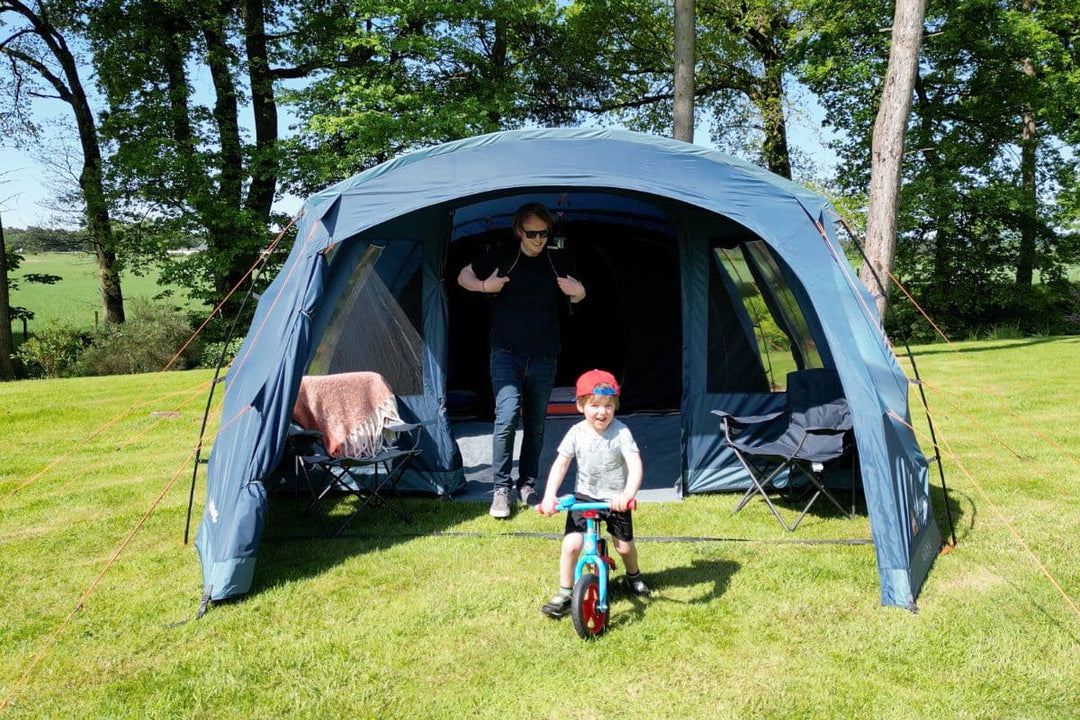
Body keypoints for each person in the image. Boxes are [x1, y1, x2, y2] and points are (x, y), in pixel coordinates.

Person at [457, 202, 586, 519]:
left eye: (544, 233)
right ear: (519, 231)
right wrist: (485, 286)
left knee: (537, 426)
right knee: (505, 418)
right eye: (532, 233)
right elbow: (463, 276)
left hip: (544, 355)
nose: (539, 239)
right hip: (506, 353)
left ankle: (527, 484)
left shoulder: (558, 259)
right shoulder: (503, 255)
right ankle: (501, 489)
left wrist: (578, 290)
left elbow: (580, 294)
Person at [537, 369, 650, 618]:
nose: (602, 411)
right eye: (595, 405)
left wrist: (628, 493)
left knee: (623, 546)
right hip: (585, 497)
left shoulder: (621, 433)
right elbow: (561, 464)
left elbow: (635, 465)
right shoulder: (576, 432)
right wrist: (549, 496)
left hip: (615, 499)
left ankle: (634, 575)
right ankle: (565, 591)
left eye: (609, 406)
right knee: (571, 545)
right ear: (580, 406)